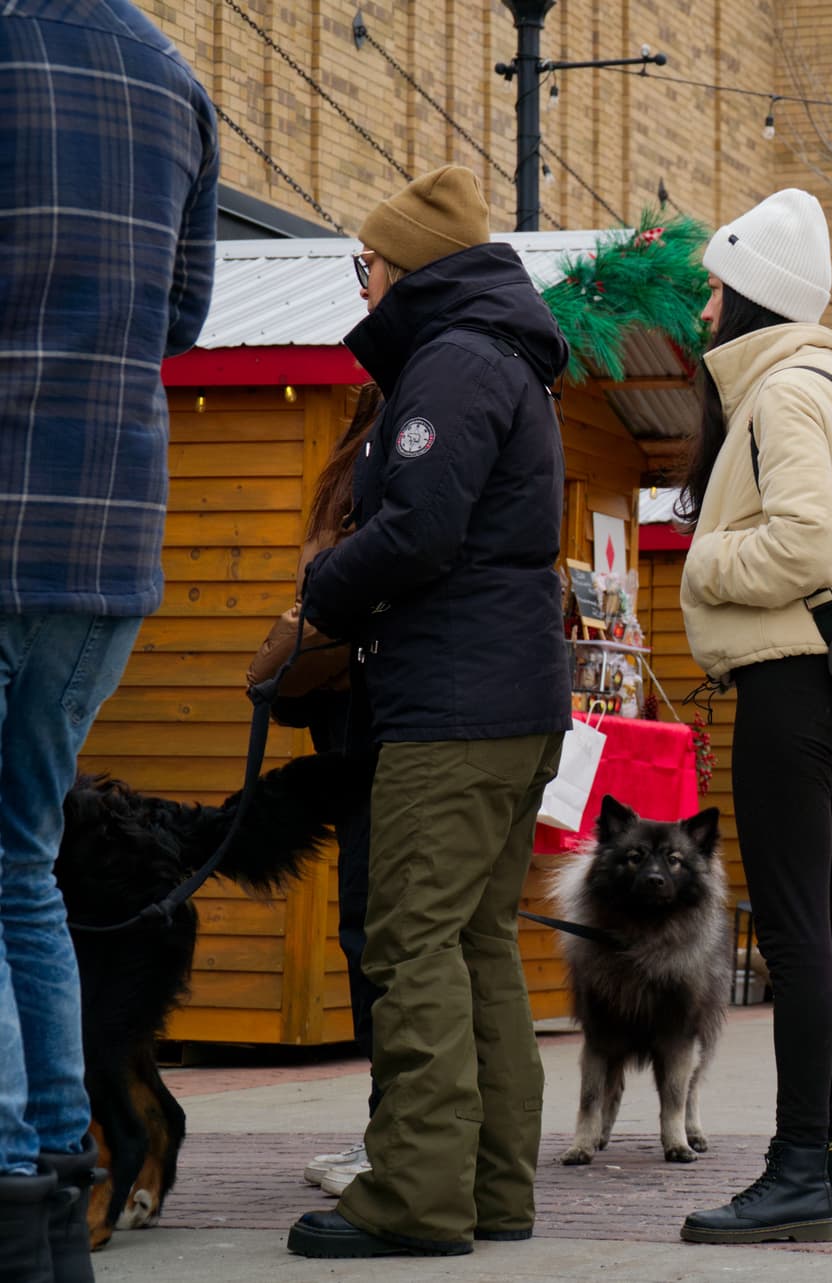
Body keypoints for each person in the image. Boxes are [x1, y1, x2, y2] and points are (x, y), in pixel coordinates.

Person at [286, 166, 572, 1258]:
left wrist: (322, 585)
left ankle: (414, 1194)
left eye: (364, 261)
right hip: (510, 698)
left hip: (451, 706)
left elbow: (417, 531)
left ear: (403, 265)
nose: (359, 281)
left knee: (410, 943)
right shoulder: (500, 357)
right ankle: (493, 1187)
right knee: (476, 942)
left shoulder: (450, 362)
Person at [0, 4, 217, 1278]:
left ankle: (18, 1175)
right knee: (22, 860)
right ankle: (50, 1177)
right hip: (105, 533)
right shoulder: (172, 77)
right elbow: (181, 316)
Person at [671, 190, 832, 1246]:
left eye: (716, 287)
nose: (705, 306)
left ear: (752, 295)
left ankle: (798, 1167)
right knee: (829, 932)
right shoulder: (820, 384)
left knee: (798, 939)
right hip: (825, 690)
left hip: (792, 683)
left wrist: (703, 559)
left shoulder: (784, 394)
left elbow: (801, 544)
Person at [248, 386, 386, 1195]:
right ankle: (389, 1125)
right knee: (369, 928)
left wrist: (327, 581)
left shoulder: (402, 420)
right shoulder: (368, 433)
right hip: (350, 709)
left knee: (381, 933)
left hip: (379, 713)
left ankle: (397, 1134)